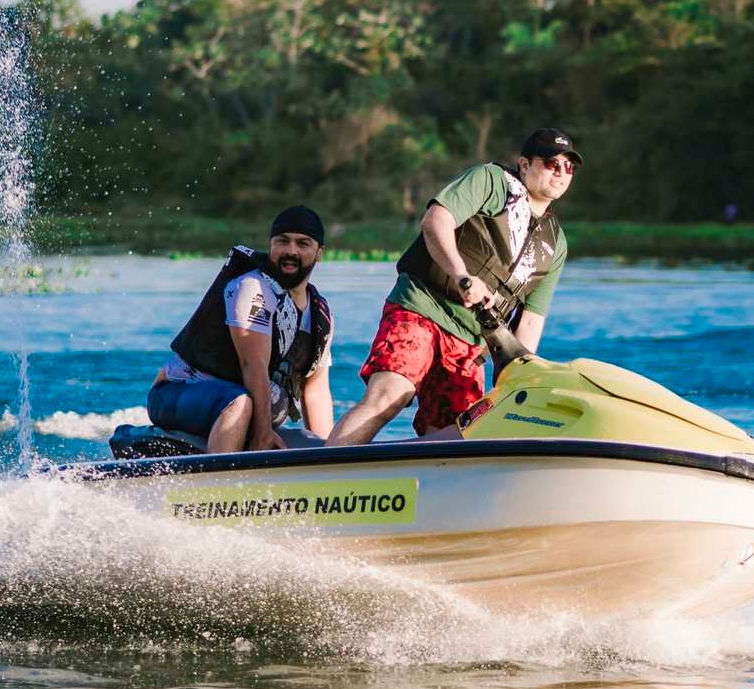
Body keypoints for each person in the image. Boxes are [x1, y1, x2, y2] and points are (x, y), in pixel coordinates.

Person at [327, 128, 579, 445]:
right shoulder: (490, 181)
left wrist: (517, 377)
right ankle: (322, 471)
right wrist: (462, 276)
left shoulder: (556, 244)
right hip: (422, 307)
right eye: (552, 163)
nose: (561, 172)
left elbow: (530, 320)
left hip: (470, 341)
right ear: (525, 164)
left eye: (568, 166)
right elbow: (435, 221)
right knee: (390, 395)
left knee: (456, 434)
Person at [148, 206, 334, 452]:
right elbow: (253, 364)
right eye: (282, 241)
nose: (291, 251)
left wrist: (330, 454)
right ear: (270, 245)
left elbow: (316, 391)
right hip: (178, 394)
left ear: (319, 253)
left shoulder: (321, 314)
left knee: (312, 444)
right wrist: (262, 435)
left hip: (250, 413)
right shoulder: (254, 288)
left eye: (303, 243)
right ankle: (221, 476)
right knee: (240, 403)